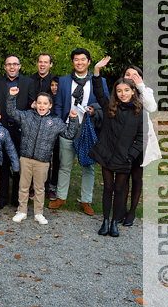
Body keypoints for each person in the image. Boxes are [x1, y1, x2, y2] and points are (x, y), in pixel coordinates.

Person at [49, 48, 109, 215]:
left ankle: (86, 200)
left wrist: (94, 111)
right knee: (64, 165)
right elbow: (59, 104)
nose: (80, 62)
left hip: (88, 129)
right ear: (72, 62)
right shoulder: (64, 81)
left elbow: (105, 104)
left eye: (83, 59)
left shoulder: (99, 81)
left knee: (88, 167)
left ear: (89, 62)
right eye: (76, 59)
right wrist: (61, 124)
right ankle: (61, 197)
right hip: (68, 127)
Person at [7, 88, 79, 225]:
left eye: (45, 103)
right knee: (23, 186)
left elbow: (69, 134)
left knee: (39, 188)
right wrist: (11, 97)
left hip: (42, 161)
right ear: (35, 104)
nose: (42, 106)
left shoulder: (55, 122)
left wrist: (73, 119)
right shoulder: (27, 116)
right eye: (39, 103)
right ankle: (21, 210)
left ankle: (38, 213)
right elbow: (11, 112)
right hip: (26, 158)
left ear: (50, 106)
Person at [90, 60, 144, 237]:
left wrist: (130, 156)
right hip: (107, 153)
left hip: (124, 157)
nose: (123, 94)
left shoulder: (139, 111)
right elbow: (99, 92)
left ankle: (115, 222)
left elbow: (141, 137)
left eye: (126, 90)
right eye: (119, 91)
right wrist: (97, 70)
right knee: (108, 188)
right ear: (116, 92)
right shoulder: (109, 107)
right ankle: (105, 221)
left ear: (133, 92)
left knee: (120, 189)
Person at [0, 54, 35, 210]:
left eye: (15, 64)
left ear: (19, 66)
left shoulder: (28, 83)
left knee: (20, 164)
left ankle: (17, 197)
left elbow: (30, 105)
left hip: (20, 130)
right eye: (9, 64)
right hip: (1, 128)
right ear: (5, 67)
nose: (12, 67)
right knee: (2, 164)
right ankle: (2, 198)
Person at [119, 64, 159, 226]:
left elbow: (152, 107)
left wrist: (141, 86)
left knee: (136, 177)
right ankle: (121, 209)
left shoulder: (145, 92)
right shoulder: (121, 92)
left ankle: (132, 211)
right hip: (123, 140)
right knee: (123, 176)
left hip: (141, 140)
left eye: (135, 75)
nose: (131, 77)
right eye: (128, 74)